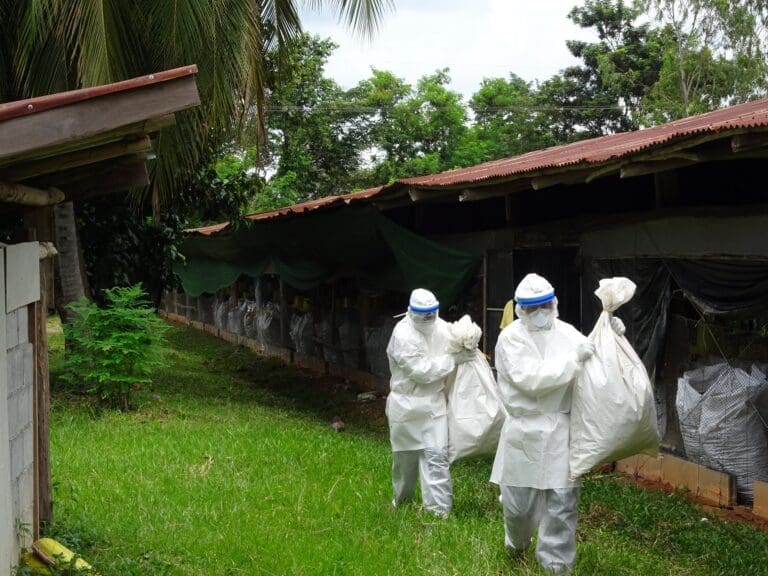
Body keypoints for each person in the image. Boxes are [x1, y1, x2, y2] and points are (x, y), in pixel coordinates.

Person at [490, 273, 623, 575]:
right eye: (532, 309)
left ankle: (556, 565)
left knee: (562, 502)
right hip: (523, 430)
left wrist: (611, 335)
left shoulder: (566, 333)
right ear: (520, 310)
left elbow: (592, 357)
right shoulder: (510, 339)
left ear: (554, 304)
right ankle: (516, 543)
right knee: (518, 507)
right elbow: (531, 379)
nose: (540, 314)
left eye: (545, 306)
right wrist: (573, 360)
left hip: (560, 429)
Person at [385, 288, 473, 517]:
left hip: (433, 405)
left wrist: (469, 337)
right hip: (406, 406)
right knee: (405, 461)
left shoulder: (439, 326)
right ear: (411, 313)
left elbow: (455, 334)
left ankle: (438, 514)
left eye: (432, 313)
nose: (428, 319)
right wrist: (452, 360)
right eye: (424, 315)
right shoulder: (402, 335)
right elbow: (421, 372)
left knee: (437, 456)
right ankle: (402, 502)